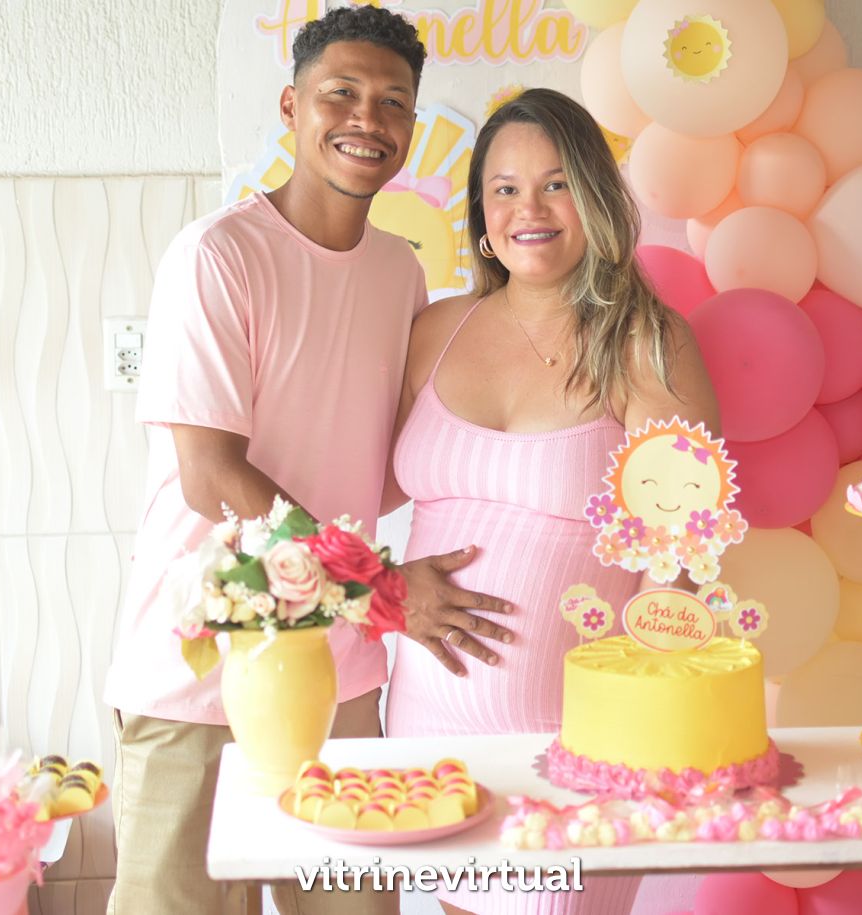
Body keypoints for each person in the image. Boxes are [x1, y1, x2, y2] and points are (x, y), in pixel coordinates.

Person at [102, 8, 507, 914]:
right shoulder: (217, 255)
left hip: (342, 676)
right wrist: (386, 587)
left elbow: (390, 462)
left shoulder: (400, 273)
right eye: (342, 93)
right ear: (291, 106)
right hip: (202, 668)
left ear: (411, 125)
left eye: (393, 102)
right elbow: (212, 475)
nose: (368, 119)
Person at [383, 88, 720, 915]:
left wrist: (631, 720)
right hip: (430, 724)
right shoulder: (435, 330)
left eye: (555, 184)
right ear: (481, 212)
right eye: (504, 188)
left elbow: (682, 553)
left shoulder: (644, 340)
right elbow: (351, 491)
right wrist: (384, 586)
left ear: (594, 196)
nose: (527, 210)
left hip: (581, 742)